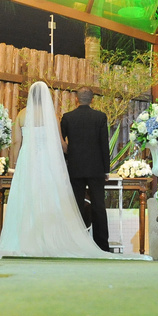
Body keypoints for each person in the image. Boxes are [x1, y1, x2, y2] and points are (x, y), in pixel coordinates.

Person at [0, 83, 128, 259]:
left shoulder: (24, 115)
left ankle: (27, 239)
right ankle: (84, 243)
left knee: (31, 200)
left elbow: (16, 142)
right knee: (61, 201)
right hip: (59, 164)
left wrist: (14, 164)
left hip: (34, 163)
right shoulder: (54, 115)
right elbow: (61, 143)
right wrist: (75, 156)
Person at [60, 87, 113, 252]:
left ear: (76, 99)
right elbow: (104, 144)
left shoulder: (67, 117)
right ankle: (102, 246)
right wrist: (106, 169)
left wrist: (67, 160)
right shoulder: (100, 117)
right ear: (92, 100)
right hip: (96, 168)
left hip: (75, 167)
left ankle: (76, 244)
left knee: (76, 205)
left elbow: (61, 143)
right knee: (98, 205)